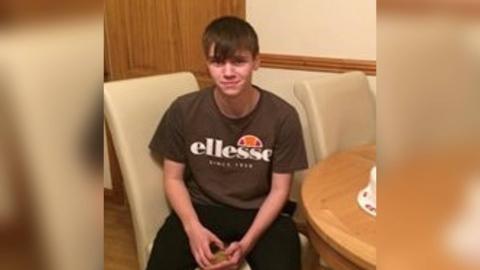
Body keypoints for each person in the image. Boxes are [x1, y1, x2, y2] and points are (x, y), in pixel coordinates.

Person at [147, 16, 307, 270]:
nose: (228, 72)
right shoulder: (183, 110)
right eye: (218, 62)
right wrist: (192, 228)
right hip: (201, 208)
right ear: (207, 64)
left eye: (239, 61)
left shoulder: (283, 116)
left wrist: (247, 243)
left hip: (260, 212)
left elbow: (279, 190)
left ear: (257, 61)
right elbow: (173, 178)